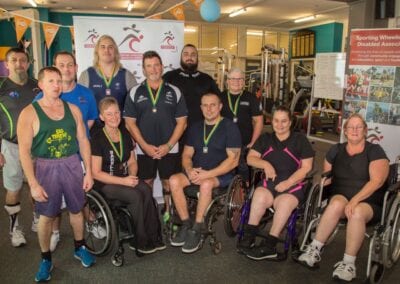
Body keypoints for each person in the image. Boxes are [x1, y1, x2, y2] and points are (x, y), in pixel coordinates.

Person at [17, 67, 95, 282]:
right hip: (45, 167)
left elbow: (83, 141)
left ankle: (80, 247)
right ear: (40, 84)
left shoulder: (73, 109)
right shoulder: (29, 113)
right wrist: (32, 183)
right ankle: (45, 259)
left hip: (71, 164)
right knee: (46, 216)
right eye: (51, 81)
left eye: (59, 81)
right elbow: (23, 151)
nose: (56, 85)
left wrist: (88, 171)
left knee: (77, 210)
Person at [298, 113, 389, 282]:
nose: (354, 130)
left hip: (368, 202)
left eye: (358, 127)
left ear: (365, 131)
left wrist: (355, 200)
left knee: (356, 212)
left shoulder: (375, 151)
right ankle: (314, 249)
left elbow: (377, 181)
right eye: (350, 127)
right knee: (336, 204)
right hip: (341, 196)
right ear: (345, 131)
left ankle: (349, 264)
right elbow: (327, 178)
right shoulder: (336, 150)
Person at [34, 51, 100, 252]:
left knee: (79, 199)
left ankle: (89, 224)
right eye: (61, 65)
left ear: (76, 67)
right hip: (51, 161)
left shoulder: (86, 94)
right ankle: (55, 232)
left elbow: (87, 125)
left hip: (77, 157)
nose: (66, 69)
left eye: (70, 65)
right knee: (53, 203)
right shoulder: (39, 99)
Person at [169, 92, 241, 253]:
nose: (209, 109)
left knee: (207, 184)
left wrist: (207, 175)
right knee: (174, 180)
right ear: (201, 108)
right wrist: (189, 169)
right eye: (205, 105)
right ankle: (186, 224)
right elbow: (187, 154)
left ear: (220, 106)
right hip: (198, 171)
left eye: (213, 105)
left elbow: (233, 161)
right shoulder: (195, 127)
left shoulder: (230, 127)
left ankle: (197, 228)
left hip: (221, 174)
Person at [239, 105, 314, 260]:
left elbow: (307, 167)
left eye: (284, 121)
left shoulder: (300, 140)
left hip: (293, 185)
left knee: (284, 203)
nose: (279, 125)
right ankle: (249, 235)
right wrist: (266, 164)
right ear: (271, 121)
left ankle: (270, 246)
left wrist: (288, 182)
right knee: (259, 195)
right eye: (276, 121)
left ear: (291, 122)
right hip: (270, 183)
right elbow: (250, 158)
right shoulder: (265, 138)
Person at [91, 96, 165, 254]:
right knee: (135, 195)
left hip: (124, 179)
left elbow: (132, 162)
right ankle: (139, 240)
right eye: (109, 114)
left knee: (145, 189)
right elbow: (96, 173)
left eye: (117, 113)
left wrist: (131, 176)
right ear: (101, 117)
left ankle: (154, 236)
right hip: (104, 184)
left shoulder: (124, 134)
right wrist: (124, 181)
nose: (114, 117)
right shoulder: (97, 138)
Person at [124, 50, 187, 219]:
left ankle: (168, 212)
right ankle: (149, 213)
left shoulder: (175, 91)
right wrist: (144, 146)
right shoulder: (134, 92)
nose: (153, 70)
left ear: (162, 67)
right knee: (146, 183)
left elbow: (182, 122)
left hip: (170, 148)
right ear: (143, 70)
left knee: (169, 182)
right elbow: (129, 123)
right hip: (144, 149)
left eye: (156, 65)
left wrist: (168, 146)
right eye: (149, 66)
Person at [0, 47, 39, 247]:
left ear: (28, 63)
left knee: (37, 187)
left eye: (22, 60)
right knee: (13, 189)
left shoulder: (37, 86)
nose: (18, 64)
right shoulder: (1, 87)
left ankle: (36, 220)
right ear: (7, 64)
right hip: (11, 146)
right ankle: (14, 228)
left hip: (36, 147)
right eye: (13, 60)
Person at [221, 67, 263, 183]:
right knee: (225, 172)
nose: (237, 82)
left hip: (245, 145)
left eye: (240, 79)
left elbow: (258, 121)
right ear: (227, 81)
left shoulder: (251, 98)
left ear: (244, 82)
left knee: (244, 174)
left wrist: (253, 142)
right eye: (233, 79)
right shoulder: (220, 97)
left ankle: (243, 197)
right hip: (225, 145)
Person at [163, 44, 220, 126]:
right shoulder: (169, 77)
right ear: (181, 57)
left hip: (202, 129)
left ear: (197, 58)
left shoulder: (207, 79)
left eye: (193, 55)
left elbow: (218, 102)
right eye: (186, 54)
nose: (189, 57)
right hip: (175, 129)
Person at [78, 34, 137, 115]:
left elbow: (135, 106)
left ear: (115, 51)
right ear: (97, 52)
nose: (106, 50)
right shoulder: (86, 75)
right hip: (94, 126)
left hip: (120, 126)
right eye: (103, 47)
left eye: (110, 47)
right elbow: (80, 105)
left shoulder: (127, 76)